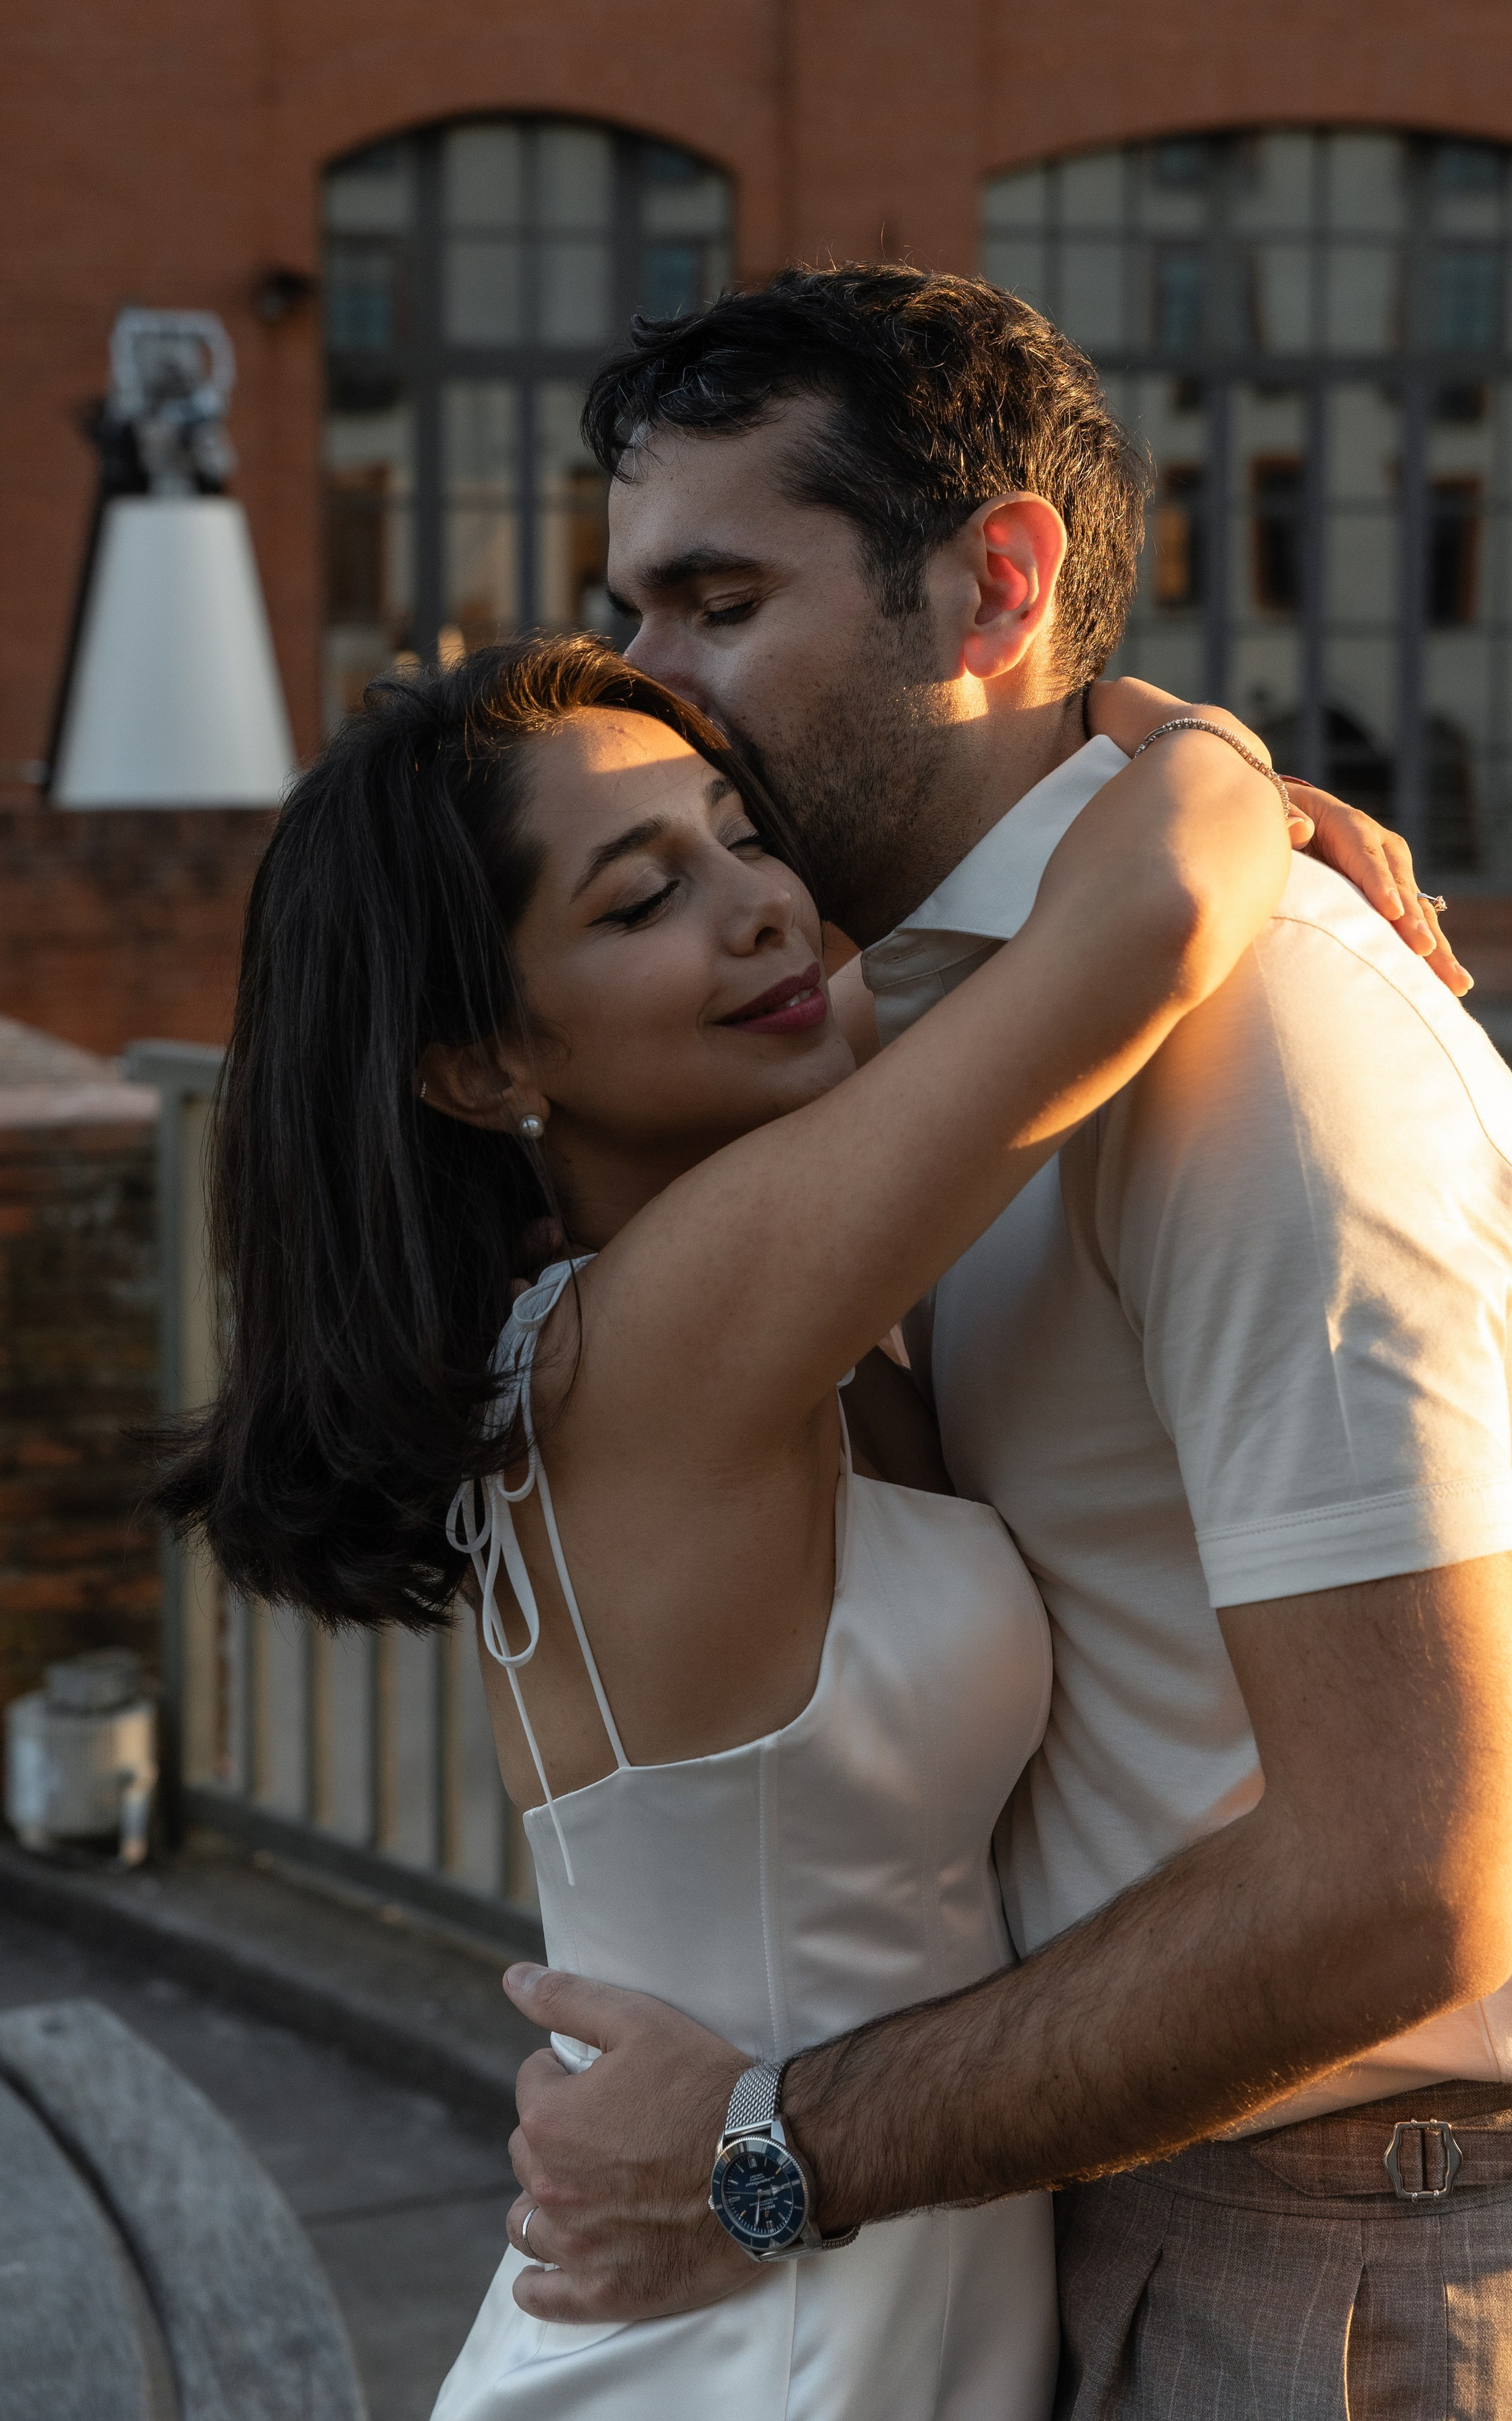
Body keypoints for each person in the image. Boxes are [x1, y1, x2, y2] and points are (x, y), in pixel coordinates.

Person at [495, 266, 1512, 2417]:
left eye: (714, 601)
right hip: (1133, 2211)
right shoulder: (922, 1028)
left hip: (1360, 2271)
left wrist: (772, 2157)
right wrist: (1194, 748)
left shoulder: (1264, 1055)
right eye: (636, 611)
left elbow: (1393, 1888)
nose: (656, 689)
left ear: (994, 585)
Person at [154, 628, 1316, 2418]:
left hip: (808, 2307)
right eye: (640, 903)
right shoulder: (663, 1335)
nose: (764, 908)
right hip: (748, 2353)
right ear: (479, 1067)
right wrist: (1179, 736)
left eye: (743, 839)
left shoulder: (741, 1325)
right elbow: (1155, 916)